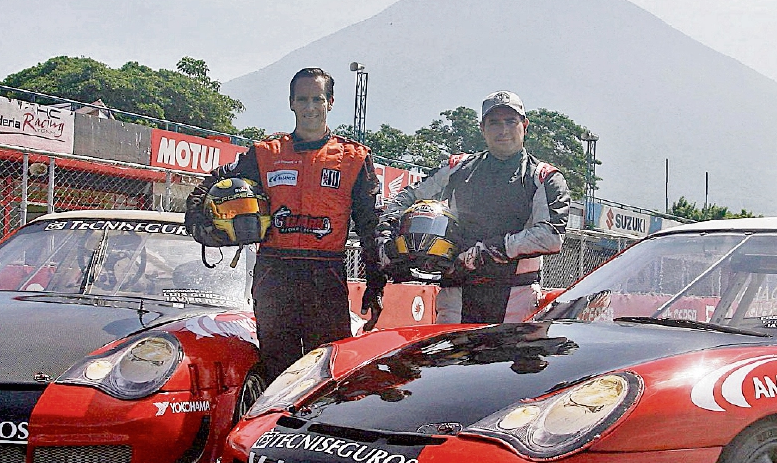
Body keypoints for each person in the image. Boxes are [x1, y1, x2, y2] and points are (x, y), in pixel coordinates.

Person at [188, 67, 385, 383]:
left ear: (331, 102)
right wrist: (199, 224)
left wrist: (376, 281)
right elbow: (212, 182)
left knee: (327, 374)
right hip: (275, 274)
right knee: (278, 374)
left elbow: (370, 225)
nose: (310, 107)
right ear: (291, 103)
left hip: (326, 275)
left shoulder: (354, 157)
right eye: (303, 99)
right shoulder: (266, 153)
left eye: (317, 99)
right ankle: (272, 430)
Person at [382, 91, 570, 324]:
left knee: (507, 358)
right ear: (482, 128)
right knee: (449, 359)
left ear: (525, 125)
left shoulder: (544, 176)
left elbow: (551, 236)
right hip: (457, 291)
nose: (503, 130)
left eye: (511, 121)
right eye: (494, 123)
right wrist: (387, 233)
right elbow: (407, 196)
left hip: (515, 295)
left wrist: (488, 251)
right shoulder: (457, 167)